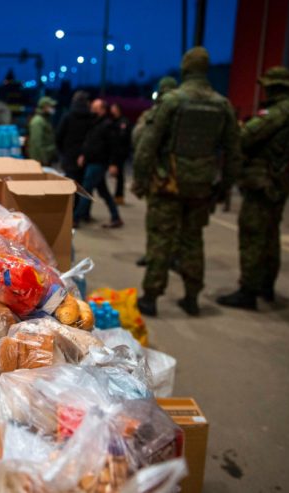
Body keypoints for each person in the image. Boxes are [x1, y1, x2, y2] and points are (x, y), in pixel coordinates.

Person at [133, 47, 242, 317]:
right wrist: (224, 187)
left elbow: (149, 143)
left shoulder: (172, 101)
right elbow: (233, 151)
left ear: (185, 69)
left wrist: (141, 179)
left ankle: (151, 297)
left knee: (161, 239)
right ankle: (192, 297)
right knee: (193, 240)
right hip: (202, 186)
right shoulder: (223, 104)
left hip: (168, 183)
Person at [216, 66, 289, 310]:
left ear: (274, 86)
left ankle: (248, 290)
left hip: (263, 183)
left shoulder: (278, 113)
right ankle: (267, 285)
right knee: (270, 235)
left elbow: (244, 138)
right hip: (279, 182)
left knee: (253, 235)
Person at [133, 76, 178, 267]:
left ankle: (155, 262)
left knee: (158, 226)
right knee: (185, 227)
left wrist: (140, 180)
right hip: (196, 181)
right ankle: (175, 258)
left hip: (163, 179)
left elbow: (140, 143)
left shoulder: (156, 112)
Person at [73, 98, 124, 229]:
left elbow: (115, 147)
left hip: (99, 163)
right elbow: (90, 143)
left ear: (102, 109)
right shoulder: (96, 124)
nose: (92, 110)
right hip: (92, 161)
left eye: (95, 108)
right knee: (104, 192)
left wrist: (114, 164)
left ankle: (75, 218)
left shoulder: (107, 125)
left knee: (86, 190)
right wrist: (83, 155)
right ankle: (116, 217)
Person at [56, 91, 92, 185]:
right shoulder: (91, 117)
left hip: (69, 156)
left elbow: (59, 136)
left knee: (71, 186)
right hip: (85, 157)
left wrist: (63, 152)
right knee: (83, 186)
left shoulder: (67, 116)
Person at [109, 102, 131, 205]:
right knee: (117, 175)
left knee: (119, 175)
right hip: (115, 151)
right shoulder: (113, 121)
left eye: (113, 108)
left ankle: (119, 196)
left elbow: (122, 138)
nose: (111, 110)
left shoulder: (123, 122)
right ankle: (118, 195)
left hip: (120, 152)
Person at [27, 96, 58, 166]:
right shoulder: (38, 121)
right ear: (44, 107)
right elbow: (37, 142)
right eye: (51, 106)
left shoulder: (44, 120)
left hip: (45, 158)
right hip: (41, 160)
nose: (53, 108)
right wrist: (43, 160)